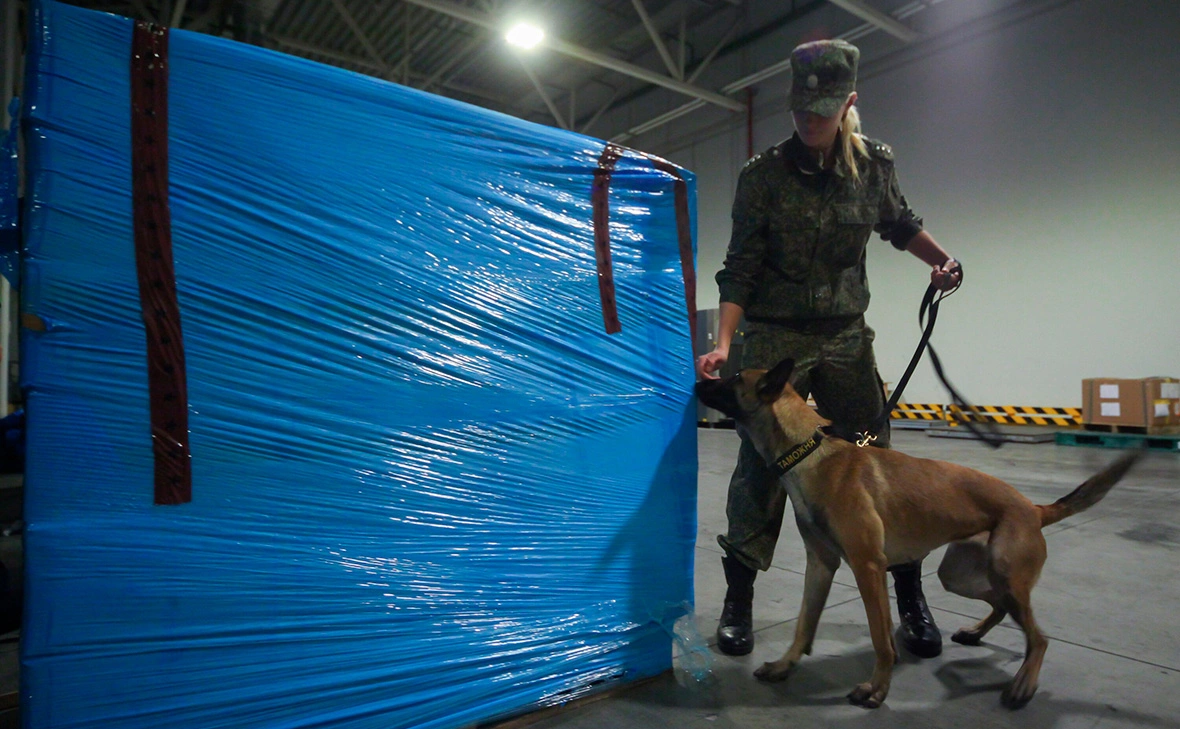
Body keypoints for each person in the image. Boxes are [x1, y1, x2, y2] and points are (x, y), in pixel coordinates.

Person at [695, 39, 962, 660]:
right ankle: (739, 602)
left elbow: (899, 224)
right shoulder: (761, 175)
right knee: (761, 469)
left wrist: (941, 261)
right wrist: (725, 344)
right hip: (773, 334)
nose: (809, 121)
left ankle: (910, 599)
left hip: (845, 337)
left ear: (849, 102)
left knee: (877, 463)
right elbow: (739, 268)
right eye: (800, 110)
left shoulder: (875, 166)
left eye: (821, 109)